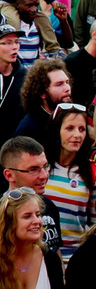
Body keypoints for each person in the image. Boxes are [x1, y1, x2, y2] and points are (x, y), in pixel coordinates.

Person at [0, 187, 64, 289]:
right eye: (27, 216)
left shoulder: (51, 260)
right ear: (9, 223)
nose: (37, 221)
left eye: (38, 215)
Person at [42, 102, 95, 261]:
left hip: (74, 260)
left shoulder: (90, 173)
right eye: (69, 128)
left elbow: (94, 225)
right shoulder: (39, 165)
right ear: (56, 130)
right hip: (39, 258)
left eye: (82, 129)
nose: (77, 135)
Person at [15, 59, 73, 142]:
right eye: (59, 84)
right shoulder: (29, 128)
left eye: (67, 82)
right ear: (42, 93)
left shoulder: (74, 117)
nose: (67, 88)